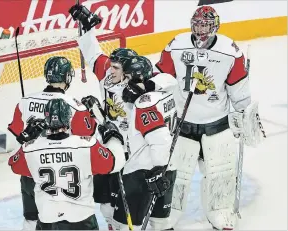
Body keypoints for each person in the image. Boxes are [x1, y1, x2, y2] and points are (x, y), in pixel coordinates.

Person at [154, 5, 265, 230]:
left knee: (221, 172)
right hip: (182, 125)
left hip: (216, 124)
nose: (200, 30)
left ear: (215, 26)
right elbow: (162, 80)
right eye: (197, 24)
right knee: (177, 174)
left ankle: (221, 212)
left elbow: (239, 89)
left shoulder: (229, 51)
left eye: (205, 25)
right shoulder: (176, 45)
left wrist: (245, 114)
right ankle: (167, 214)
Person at [69, 5, 178, 229]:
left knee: (133, 206)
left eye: (116, 68)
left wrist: (147, 85)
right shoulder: (107, 75)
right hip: (111, 143)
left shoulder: (144, 86)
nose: (110, 70)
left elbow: (170, 80)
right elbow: (92, 54)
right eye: (111, 66)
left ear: (129, 72)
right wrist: (87, 29)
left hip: (135, 150)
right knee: (107, 205)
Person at [7, 56, 97, 230]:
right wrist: (91, 115)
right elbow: (86, 139)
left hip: (31, 169)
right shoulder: (74, 105)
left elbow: (19, 134)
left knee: (31, 219)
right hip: (62, 176)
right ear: (67, 77)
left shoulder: (24, 102)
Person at [8, 98, 126, 230]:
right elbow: (118, 163)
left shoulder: (30, 149)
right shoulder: (86, 145)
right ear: (69, 118)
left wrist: (24, 139)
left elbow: (13, 163)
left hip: (48, 221)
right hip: (82, 220)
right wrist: (113, 138)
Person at [106, 55, 177, 230]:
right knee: (160, 223)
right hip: (169, 166)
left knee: (124, 225)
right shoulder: (166, 92)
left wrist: (157, 171)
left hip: (145, 172)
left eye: (128, 77)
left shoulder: (144, 104)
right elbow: (169, 79)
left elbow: (160, 139)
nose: (125, 81)